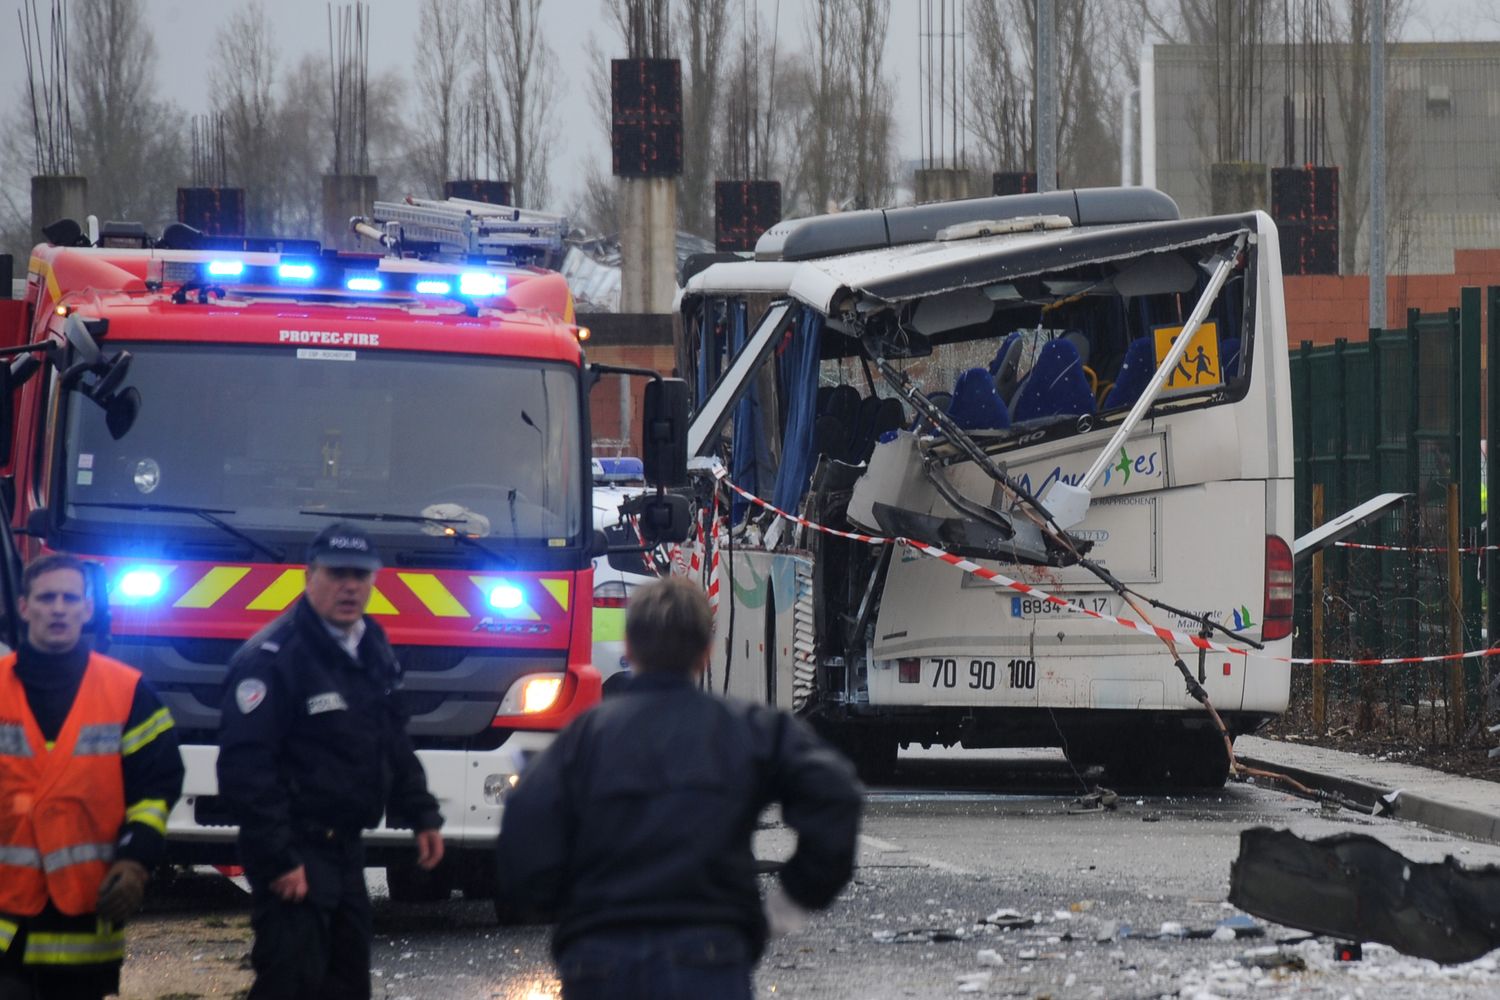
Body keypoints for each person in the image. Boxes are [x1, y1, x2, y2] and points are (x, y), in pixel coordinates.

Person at [496, 576, 863, 1000]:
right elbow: (835, 793)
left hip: (599, 957)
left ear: (629, 650)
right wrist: (794, 900)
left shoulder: (583, 739)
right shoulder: (748, 730)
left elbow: (525, 829)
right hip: (707, 955)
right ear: (706, 654)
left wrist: (559, 906)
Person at [217, 523, 444, 1000]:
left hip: (345, 850)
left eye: (361, 576)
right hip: (295, 849)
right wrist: (280, 859)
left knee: (346, 982)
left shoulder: (369, 642)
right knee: (291, 981)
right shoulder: (272, 660)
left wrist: (422, 813)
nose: (350, 586)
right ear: (309, 576)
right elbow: (247, 772)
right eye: (337, 574)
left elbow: (391, 736)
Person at [0, 553, 184, 1000]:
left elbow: (155, 787)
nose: (58, 608)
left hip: (85, 917)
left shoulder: (129, 692)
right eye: (46, 598)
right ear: (24, 607)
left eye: (69, 598)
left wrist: (135, 857)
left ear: (87, 609)